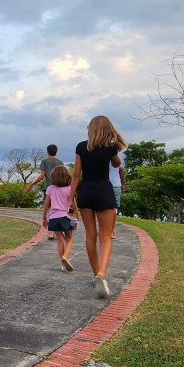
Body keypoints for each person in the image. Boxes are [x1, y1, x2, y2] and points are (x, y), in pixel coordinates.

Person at [70, 116, 127, 299]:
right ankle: (101, 273)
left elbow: (76, 175)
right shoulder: (110, 147)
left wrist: (71, 198)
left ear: (91, 128)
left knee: (90, 236)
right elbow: (117, 164)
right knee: (105, 237)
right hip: (104, 191)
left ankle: (96, 275)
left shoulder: (81, 147)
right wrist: (114, 146)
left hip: (85, 192)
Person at [26, 144, 65, 240]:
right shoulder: (60, 162)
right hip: (59, 188)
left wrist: (31, 184)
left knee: (50, 210)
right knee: (60, 209)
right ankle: (60, 230)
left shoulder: (44, 162)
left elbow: (42, 176)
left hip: (48, 188)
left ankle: (51, 233)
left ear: (48, 151)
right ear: (56, 151)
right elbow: (63, 175)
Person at [42, 165, 76, 272]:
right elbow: (74, 205)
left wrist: (44, 218)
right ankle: (65, 257)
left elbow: (46, 204)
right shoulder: (70, 189)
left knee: (60, 239)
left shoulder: (50, 188)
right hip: (65, 217)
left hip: (53, 218)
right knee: (69, 239)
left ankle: (63, 265)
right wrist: (77, 217)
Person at [108, 157, 126, 239]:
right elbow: (121, 170)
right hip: (115, 184)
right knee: (114, 208)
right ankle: (111, 231)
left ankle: (105, 230)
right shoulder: (118, 157)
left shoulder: (102, 154)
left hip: (104, 184)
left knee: (105, 208)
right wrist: (122, 184)